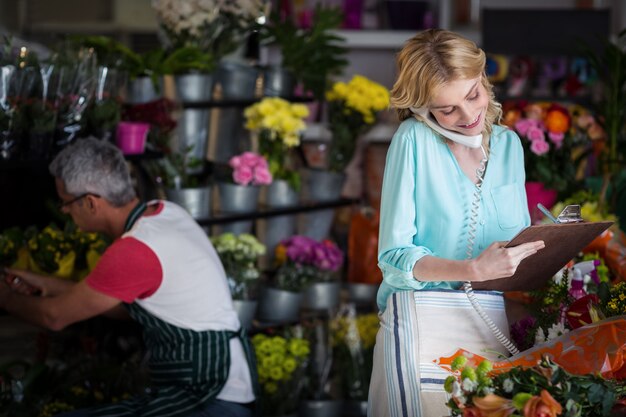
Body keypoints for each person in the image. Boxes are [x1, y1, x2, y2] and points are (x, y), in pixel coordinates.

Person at [0, 138, 256, 417]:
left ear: (90, 203)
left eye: (65, 202)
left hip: (210, 396)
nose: (64, 211)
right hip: (226, 384)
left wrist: (5, 297)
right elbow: (121, 303)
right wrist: (44, 283)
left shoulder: (134, 250)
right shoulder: (166, 213)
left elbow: (54, 317)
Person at [367, 29, 545, 417]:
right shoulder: (412, 140)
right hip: (421, 330)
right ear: (422, 108)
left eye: (472, 96)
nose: (468, 117)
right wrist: (472, 269)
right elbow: (395, 258)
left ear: (483, 78)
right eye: (447, 109)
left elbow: (511, 245)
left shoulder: (509, 146)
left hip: (491, 329)